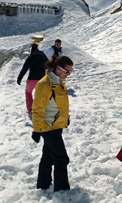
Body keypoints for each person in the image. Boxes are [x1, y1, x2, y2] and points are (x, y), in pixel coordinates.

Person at [31, 55, 73, 192]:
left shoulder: (58, 82)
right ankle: (62, 191)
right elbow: (37, 109)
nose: (69, 74)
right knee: (62, 159)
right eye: (67, 71)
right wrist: (37, 130)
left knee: (48, 156)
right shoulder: (44, 85)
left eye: (71, 71)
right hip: (48, 127)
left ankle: (43, 184)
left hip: (56, 126)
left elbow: (60, 104)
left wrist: (66, 118)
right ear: (57, 68)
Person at [17, 42, 48, 113]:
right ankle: (43, 107)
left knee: (28, 92)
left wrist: (19, 78)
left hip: (32, 79)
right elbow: (49, 67)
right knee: (42, 94)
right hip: (42, 79)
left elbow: (25, 68)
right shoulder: (44, 57)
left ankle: (30, 109)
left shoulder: (31, 57)